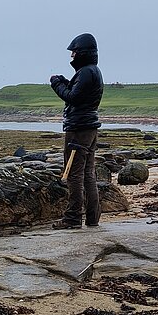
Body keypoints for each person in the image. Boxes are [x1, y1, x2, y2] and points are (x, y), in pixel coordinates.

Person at [49, 33, 103, 229]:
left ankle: (72, 219)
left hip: (79, 130)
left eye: (74, 52)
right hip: (89, 128)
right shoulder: (93, 71)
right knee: (88, 173)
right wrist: (65, 81)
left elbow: (72, 97)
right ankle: (92, 218)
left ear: (82, 52)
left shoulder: (86, 72)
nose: (71, 55)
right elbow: (79, 93)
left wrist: (56, 84)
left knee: (73, 173)